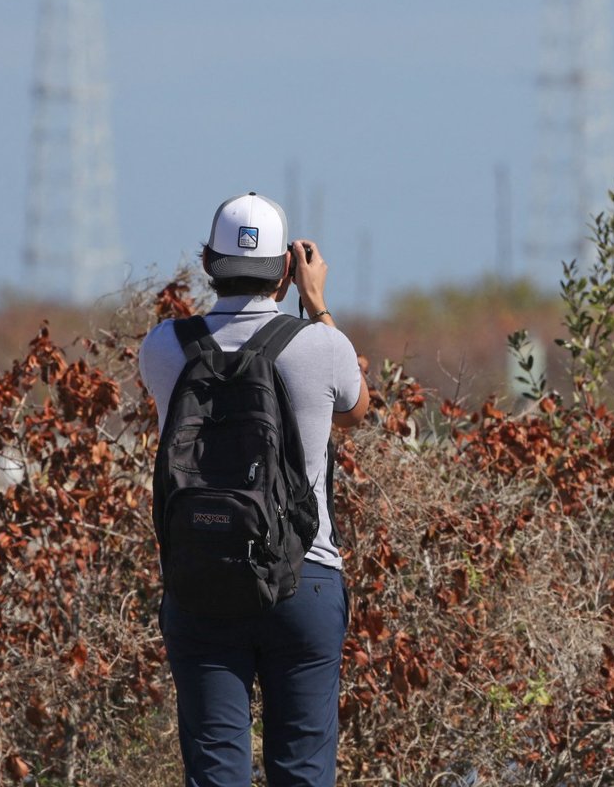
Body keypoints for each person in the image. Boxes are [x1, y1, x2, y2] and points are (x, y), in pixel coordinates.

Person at [140, 191, 371, 786]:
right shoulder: (322, 347)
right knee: (303, 771)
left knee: (216, 772)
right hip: (305, 577)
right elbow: (355, 410)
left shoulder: (164, 347)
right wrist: (316, 304)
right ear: (287, 269)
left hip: (200, 577)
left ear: (207, 262)